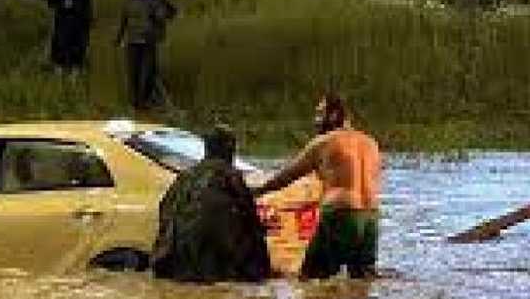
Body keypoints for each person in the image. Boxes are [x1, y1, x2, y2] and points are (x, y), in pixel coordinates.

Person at [253, 94, 382, 280]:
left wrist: (258, 191)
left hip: (340, 214)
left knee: (310, 279)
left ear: (334, 115)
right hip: (371, 217)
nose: (315, 121)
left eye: (320, 114)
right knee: (362, 281)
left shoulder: (324, 143)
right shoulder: (371, 143)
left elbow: (286, 176)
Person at [152, 124, 271, 283]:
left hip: (174, 258)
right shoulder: (229, 175)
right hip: (213, 261)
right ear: (229, 148)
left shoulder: (185, 176)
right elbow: (249, 215)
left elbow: (164, 208)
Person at [115, 0, 174, 110]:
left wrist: (159, 16)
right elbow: (124, 18)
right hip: (133, 39)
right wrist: (119, 36)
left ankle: (145, 99)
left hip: (148, 40)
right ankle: (135, 101)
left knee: (148, 72)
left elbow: (165, 15)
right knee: (133, 71)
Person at [47, 0, 93, 72]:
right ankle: (60, 69)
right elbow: (51, 2)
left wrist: (76, 6)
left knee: (76, 48)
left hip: (78, 21)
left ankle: (75, 71)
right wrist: (62, 2)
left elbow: (87, 4)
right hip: (62, 21)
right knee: (61, 47)